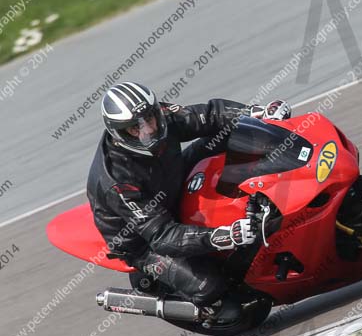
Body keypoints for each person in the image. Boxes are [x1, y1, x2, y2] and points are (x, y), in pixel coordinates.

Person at [86, 81, 291, 321]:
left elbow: (208, 116)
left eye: (149, 118)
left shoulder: (159, 117)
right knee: (213, 289)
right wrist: (224, 236)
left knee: (232, 135)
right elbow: (161, 235)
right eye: (135, 128)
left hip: (172, 178)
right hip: (144, 240)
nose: (148, 130)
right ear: (119, 133)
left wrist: (258, 113)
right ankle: (188, 305)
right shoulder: (118, 181)